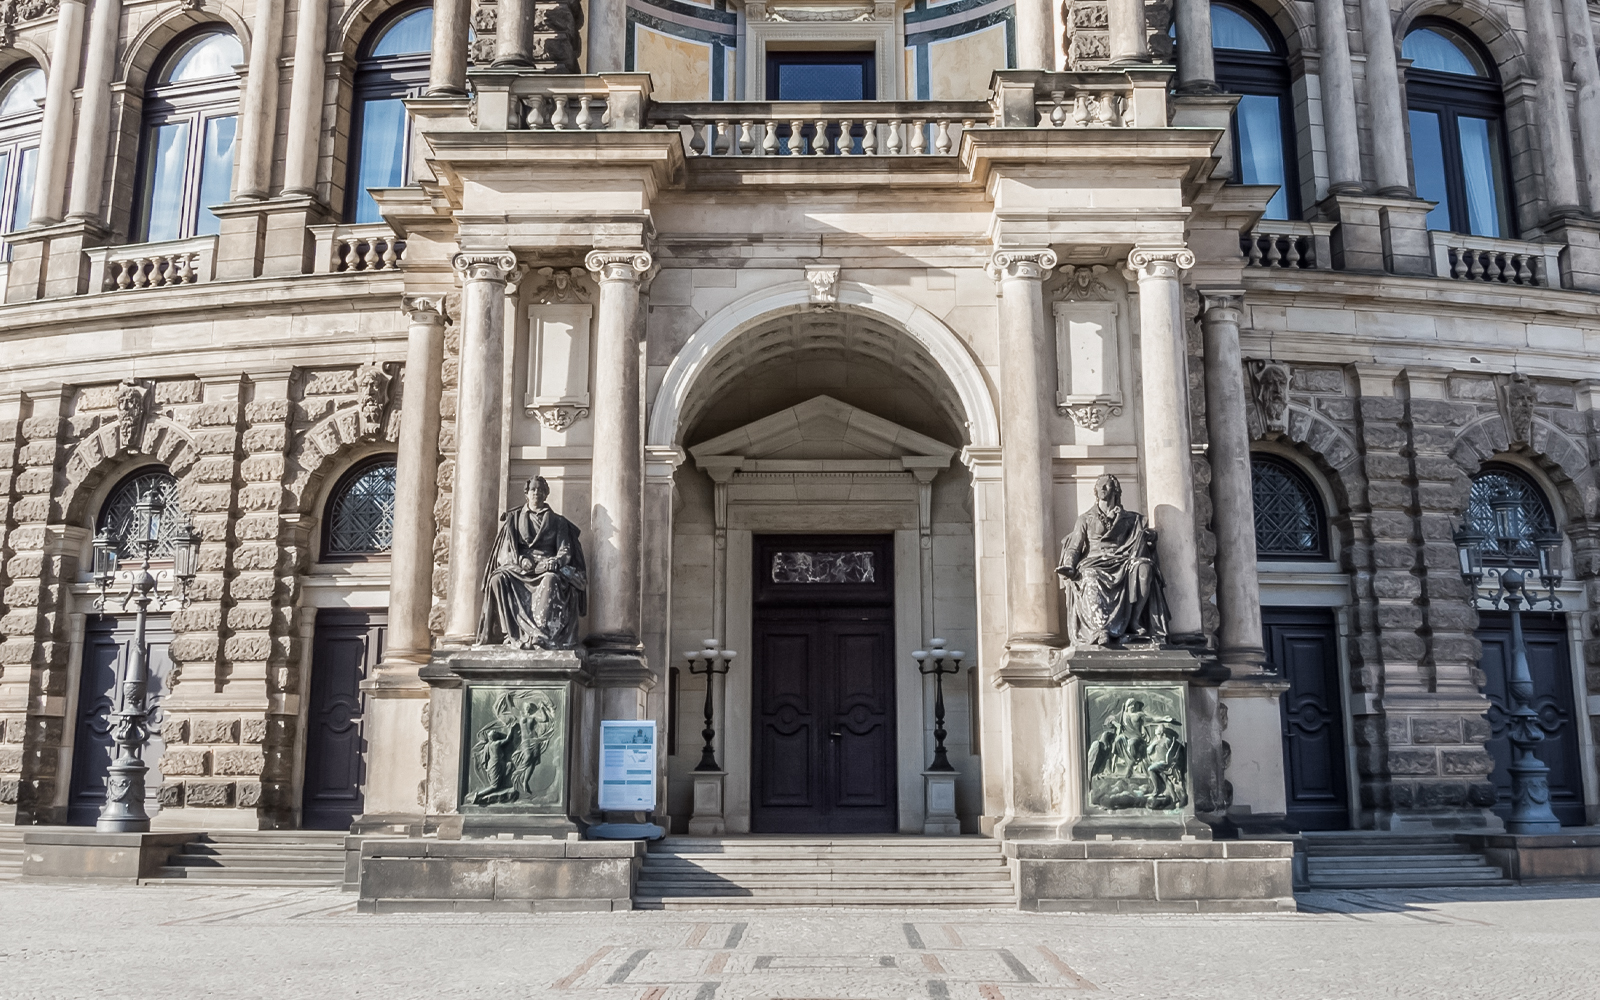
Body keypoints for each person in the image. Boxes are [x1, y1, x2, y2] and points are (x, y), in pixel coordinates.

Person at [1056, 473, 1169, 646]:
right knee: (1090, 575)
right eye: (1099, 486)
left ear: (1115, 490)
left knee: (1144, 568)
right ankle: (1100, 630)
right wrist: (1069, 566)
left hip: (1123, 560)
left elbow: (1143, 538)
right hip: (1094, 561)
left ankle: (1135, 619)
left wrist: (1150, 537)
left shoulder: (1131, 519)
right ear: (1095, 491)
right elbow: (1074, 547)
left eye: (1106, 485)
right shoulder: (1085, 519)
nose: (1102, 488)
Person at [477, 476, 587, 649]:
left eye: (541, 490)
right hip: (520, 568)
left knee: (551, 579)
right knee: (497, 579)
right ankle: (510, 634)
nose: (537, 493)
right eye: (533, 489)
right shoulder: (513, 519)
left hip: (546, 567)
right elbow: (505, 550)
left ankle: (540, 635)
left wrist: (555, 561)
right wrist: (520, 559)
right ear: (526, 493)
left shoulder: (558, 522)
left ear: (546, 494)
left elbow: (565, 551)